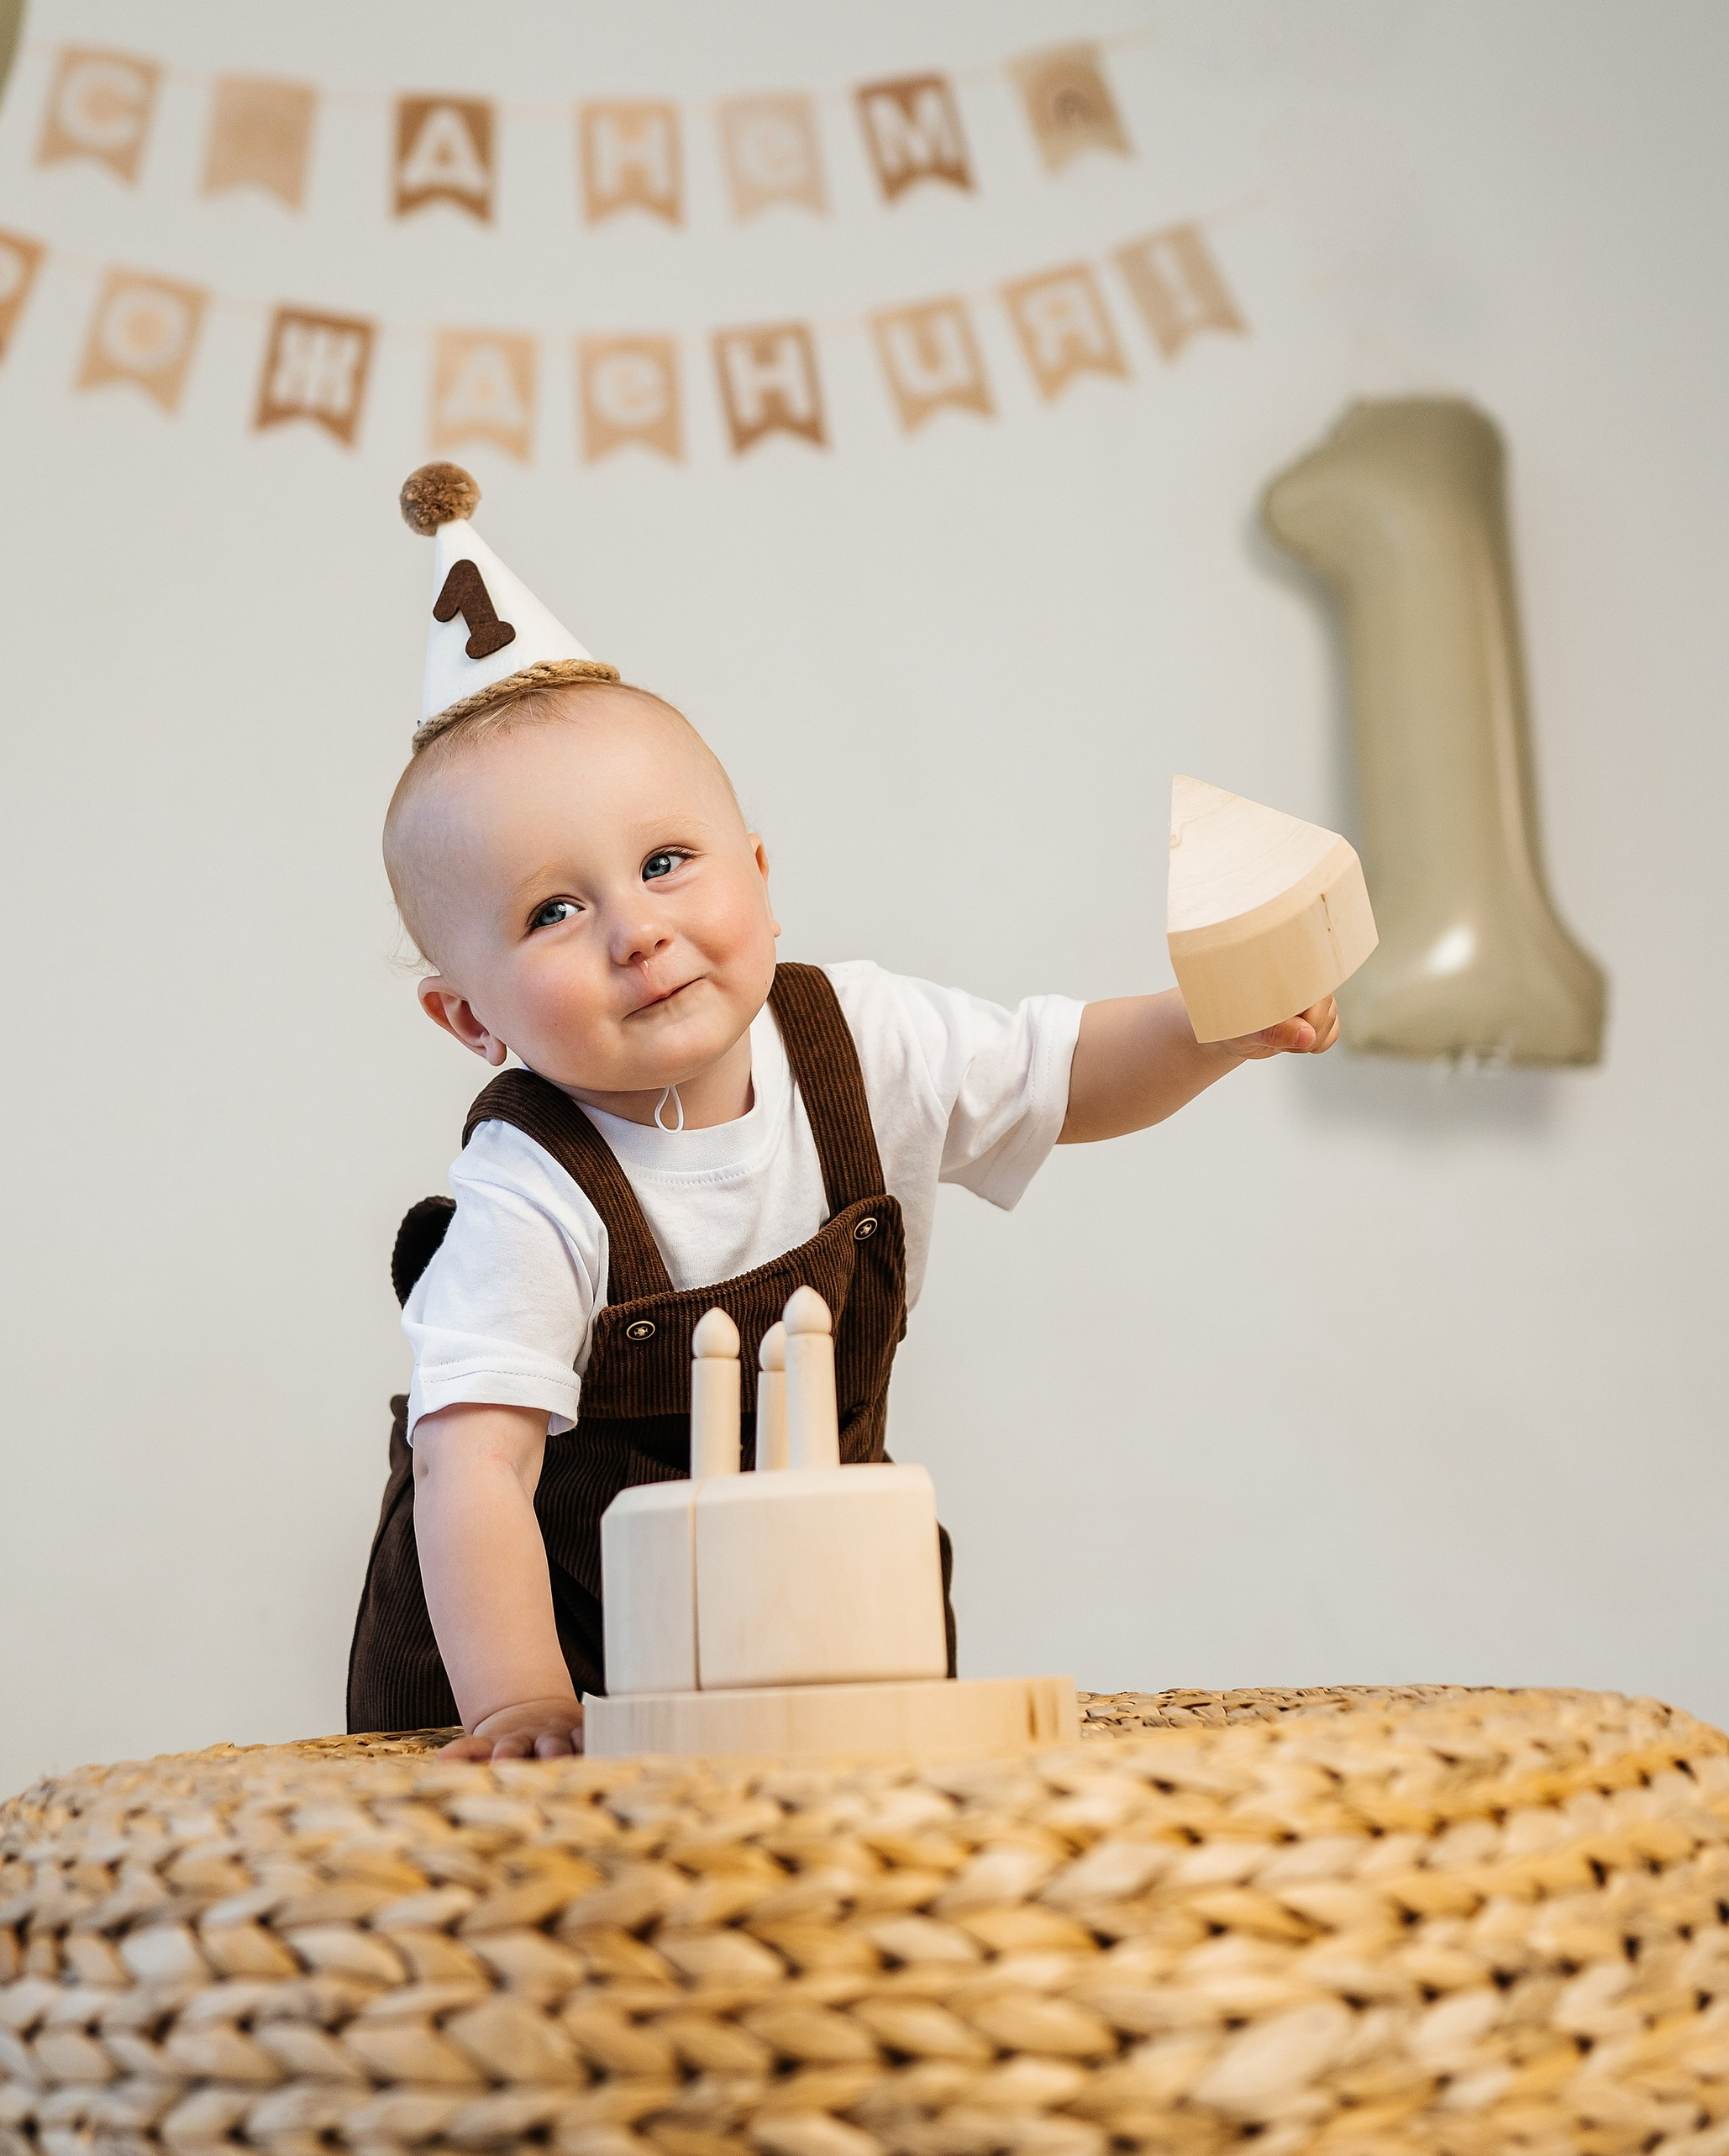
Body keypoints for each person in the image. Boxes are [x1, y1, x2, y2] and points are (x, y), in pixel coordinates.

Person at [346, 468, 1337, 1762]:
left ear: (758, 875)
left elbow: (1069, 1069)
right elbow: (474, 1472)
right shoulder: (528, 1195)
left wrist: (1214, 1024)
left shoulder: (860, 1042)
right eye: (553, 910)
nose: (637, 929)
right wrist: (521, 1703)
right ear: (469, 1019)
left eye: (663, 864)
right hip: (560, 1644)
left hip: (820, 1623)